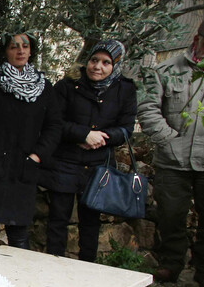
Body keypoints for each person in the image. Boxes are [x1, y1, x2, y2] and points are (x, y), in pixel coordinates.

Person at [138, 13, 204, 287]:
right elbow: (148, 109)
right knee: (170, 215)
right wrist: (168, 140)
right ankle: (170, 264)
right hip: (173, 161)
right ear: (196, 40)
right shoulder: (166, 70)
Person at [40, 40, 137, 262]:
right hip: (65, 161)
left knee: (91, 221)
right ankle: (51, 267)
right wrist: (82, 134)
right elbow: (53, 120)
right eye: (94, 60)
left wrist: (102, 138)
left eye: (105, 62)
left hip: (98, 164)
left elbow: (126, 128)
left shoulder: (125, 90)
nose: (97, 67)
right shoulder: (68, 86)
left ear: (116, 65)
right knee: (58, 219)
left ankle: (87, 269)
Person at [0, 31, 62, 250]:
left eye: (25, 46)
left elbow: (54, 125)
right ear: (4, 52)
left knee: (19, 235)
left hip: (23, 169)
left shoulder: (44, 88)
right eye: (13, 46)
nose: (20, 50)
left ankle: (21, 283)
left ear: (31, 51)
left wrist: (37, 155)